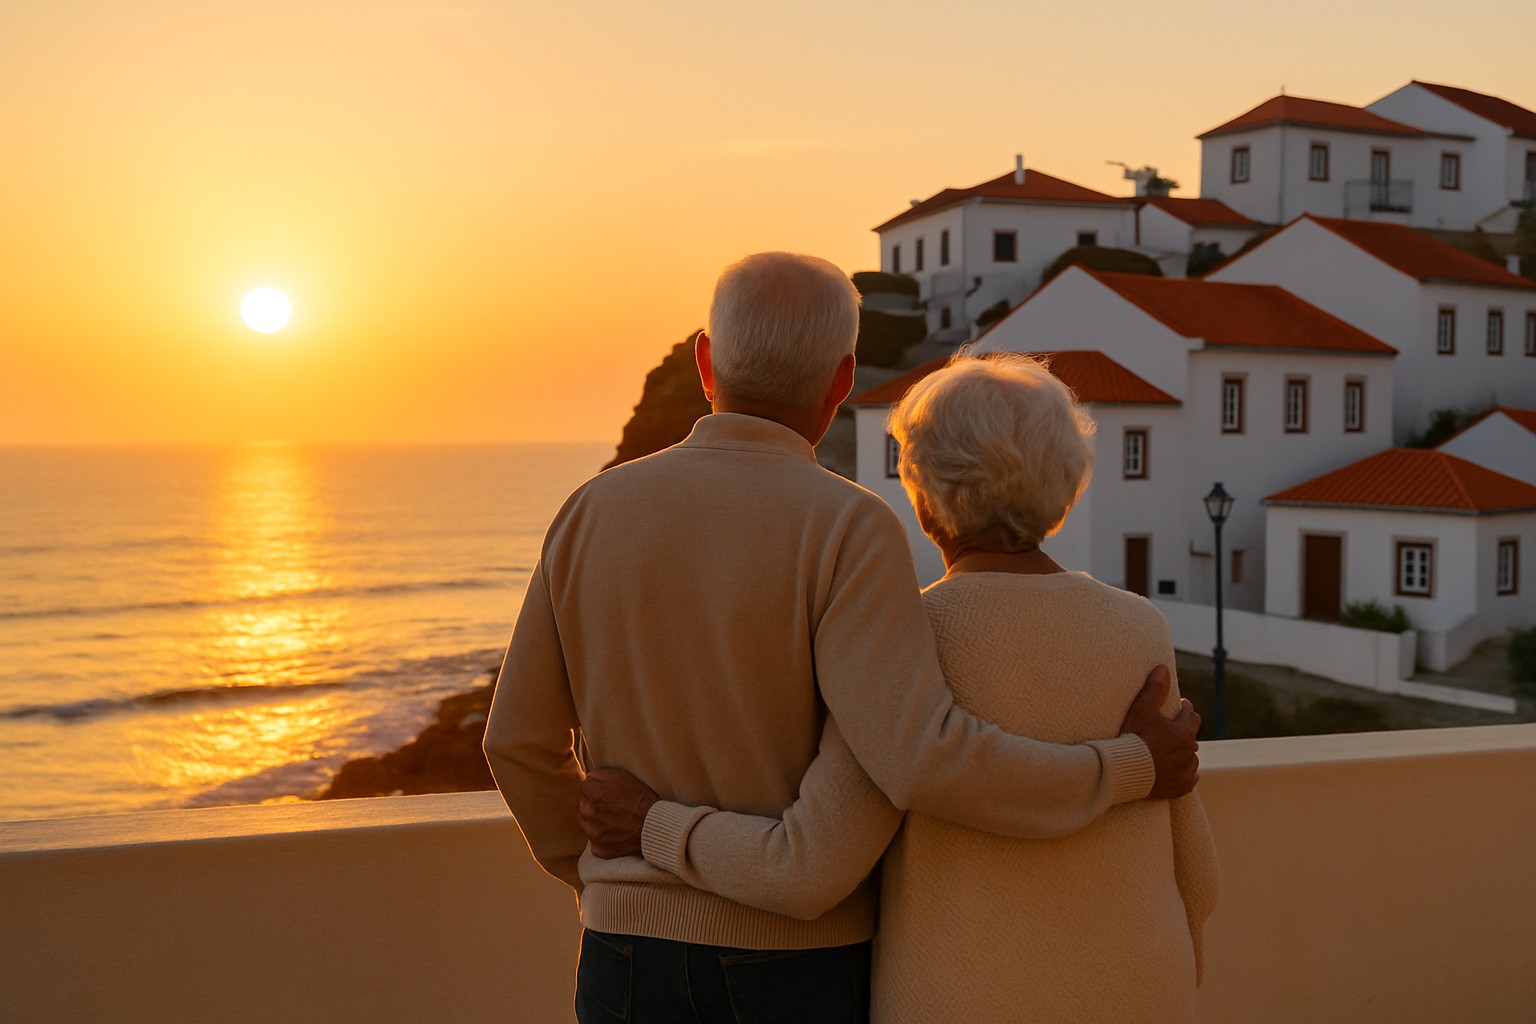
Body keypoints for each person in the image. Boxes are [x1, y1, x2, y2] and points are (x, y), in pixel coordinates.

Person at [483, 253, 1201, 1024]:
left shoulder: (590, 510)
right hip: (792, 965)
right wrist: (1127, 766)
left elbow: (516, 743)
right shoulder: (848, 526)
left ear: (705, 361)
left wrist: (603, 873)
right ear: (841, 381)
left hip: (620, 958)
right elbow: (920, 757)